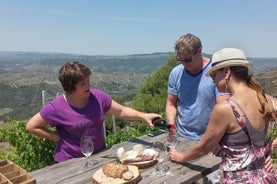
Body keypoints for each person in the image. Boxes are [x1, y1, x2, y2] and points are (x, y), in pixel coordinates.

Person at [169, 48, 277, 183]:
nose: (213, 81)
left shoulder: (225, 109)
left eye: (214, 75)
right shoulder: (268, 100)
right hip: (267, 178)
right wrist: (271, 146)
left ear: (226, 72)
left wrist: (181, 157)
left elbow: (204, 147)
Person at [26, 61, 161, 163]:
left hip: (99, 156)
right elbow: (31, 126)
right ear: (70, 87)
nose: (88, 86)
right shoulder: (56, 107)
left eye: (88, 81)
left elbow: (121, 111)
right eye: (83, 84)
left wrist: (144, 116)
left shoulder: (97, 97)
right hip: (70, 162)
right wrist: (58, 138)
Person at [166, 33, 229, 183]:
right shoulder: (176, 73)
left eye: (188, 59)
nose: (184, 63)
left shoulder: (216, 72)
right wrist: (172, 126)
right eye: (180, 59)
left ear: (199, 50)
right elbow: (170, 103)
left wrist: (216, 141)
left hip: (210, 143)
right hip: (183, 139)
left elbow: (225, 109)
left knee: (211, 180)